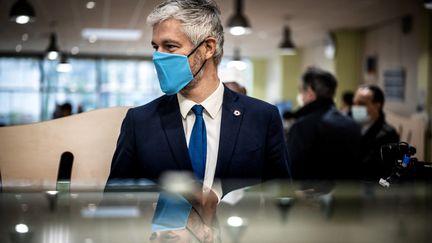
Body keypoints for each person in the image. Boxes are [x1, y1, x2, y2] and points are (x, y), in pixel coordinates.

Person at [106, 0, 290, 201]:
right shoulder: (139, 121)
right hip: (164, 231)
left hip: (237, 230)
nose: (158, 57)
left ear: (208, 48)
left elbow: (281, 198)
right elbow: (114, 203)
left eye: (170, 46)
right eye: (155, 47)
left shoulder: (262, 117)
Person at [286, 67, 361, 188]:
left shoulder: (303, 126)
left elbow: (293, 173)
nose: (300, 96)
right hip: (346, 199)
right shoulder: (352, 124)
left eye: (301, 91)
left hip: (311, 201)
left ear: (310, 93)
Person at [352, 84, 399, 182]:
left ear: (377, 106)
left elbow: (373, 170)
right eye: (354, 103)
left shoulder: (388, 135)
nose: (355, 108)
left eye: (361, 104)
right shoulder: (351, 128)